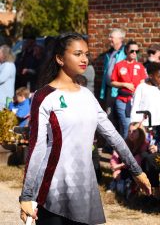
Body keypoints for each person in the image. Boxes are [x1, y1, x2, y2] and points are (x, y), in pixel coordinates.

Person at [19, 32, 151, 225]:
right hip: (52, 191)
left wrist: (136, 170)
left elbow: (113, 136)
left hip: (84, 190)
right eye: (78, 53)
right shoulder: (44, 96)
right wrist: (26, 195)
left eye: (86, 54)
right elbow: (37, 147)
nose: (84, 59)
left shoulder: (87, 96)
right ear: (59, 58)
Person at [131, 62, 160, 197]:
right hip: (145, 127)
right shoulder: (142, 87)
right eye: (158, 76)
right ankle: (146, 189)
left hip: (158, 129)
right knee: (143, 156)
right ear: (151, 75)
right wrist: (135, 124)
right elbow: (135, 106)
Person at [111, 40, 146, 139]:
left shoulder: (140, 66)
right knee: (126, 126)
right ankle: (126, 152)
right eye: (132, 51)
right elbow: (112, 82)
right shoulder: (119, 65)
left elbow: (142, 84)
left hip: (136, 102)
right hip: (123, 100)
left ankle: (131, 151)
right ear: (126, 51)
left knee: (136, 128)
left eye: (136, 51)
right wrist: (124, 84)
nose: (134, 53)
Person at [109, 122, 148, 195]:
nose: (131, 133)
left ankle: (131, 187)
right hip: (125, 169)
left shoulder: (145, 145)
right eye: (129, 131)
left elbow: (135, 163)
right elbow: (113, 162)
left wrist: (119, 166)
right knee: (116, 174)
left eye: (134, 131)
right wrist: (118, 167)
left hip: (138, 172)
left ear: (140, 133)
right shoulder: (124, 143)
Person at [100, 28, 126, 128]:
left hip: (120, 90)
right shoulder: (109, 53)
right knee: (109, 116)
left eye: (112, 37)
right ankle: (111, 143)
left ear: (120, 39)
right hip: (109, 89)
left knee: (119, 117)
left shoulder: (125, 53)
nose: (109, 38)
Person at [0, 44, 16, 110]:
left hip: (5, 100)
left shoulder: (8, 65)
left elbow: (1, 79)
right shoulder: (3, 64)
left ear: (4, 54)